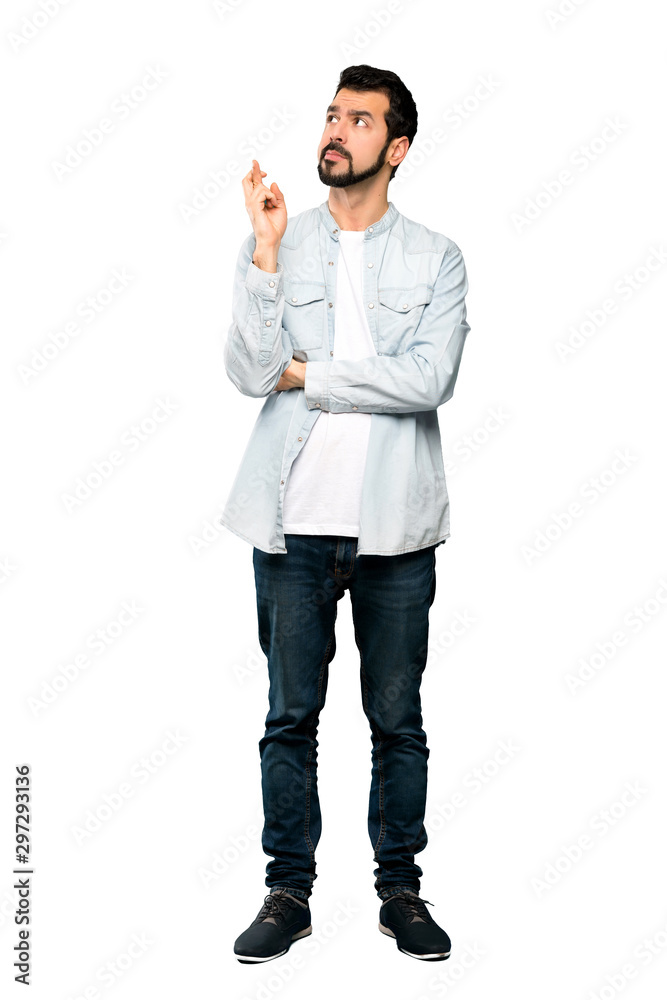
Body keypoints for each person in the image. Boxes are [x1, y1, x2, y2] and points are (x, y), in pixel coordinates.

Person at [221, 64, 471, 964]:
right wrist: (262, 250)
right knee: (290, 716)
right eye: (331, 115)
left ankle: (398, 890)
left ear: (394, 148)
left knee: (395, 718)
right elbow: (252, 374)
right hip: (290, 526)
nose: (335, 131)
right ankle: (288, 890)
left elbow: (428, 380)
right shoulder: (279, 245)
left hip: (394, 529)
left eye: (358, 120)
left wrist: (313, 377)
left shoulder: (436, 258)